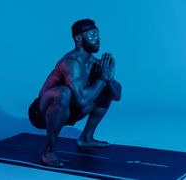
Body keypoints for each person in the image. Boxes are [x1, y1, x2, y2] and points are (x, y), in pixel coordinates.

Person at [28, 18, 122, 167]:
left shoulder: (95, 63)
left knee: (106, 90)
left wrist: (108, 80)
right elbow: (82, 101)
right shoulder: (70, 62)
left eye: (98, 35)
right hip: (41, 112)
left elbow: (117, 96)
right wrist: (101, 80)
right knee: (64, 93)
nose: (97, 39)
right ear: (78, 38)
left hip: (70, 110)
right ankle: (48, 152)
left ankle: (86, 138)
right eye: (92, 35)